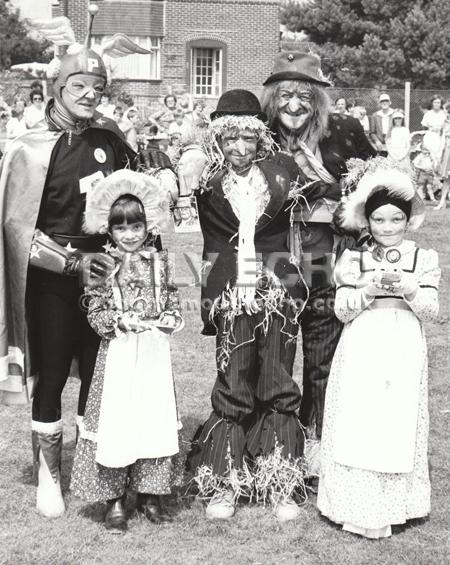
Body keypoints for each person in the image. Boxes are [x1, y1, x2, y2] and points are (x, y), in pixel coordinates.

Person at [0, 12, 153, 519]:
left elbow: (138, 190)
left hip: (105, 277)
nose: (90, 94)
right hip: (51, 281)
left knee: (98, 372)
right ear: (59, 86)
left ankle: (94, 469)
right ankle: (50, 473)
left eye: (97, 86)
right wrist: (72, 264)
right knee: (51, 375)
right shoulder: (29, 147)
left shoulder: (108, 139)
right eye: (80, 85)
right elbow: (17, 229)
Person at [183, 90, 306, 522]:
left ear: (261, 140)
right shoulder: (202, 179)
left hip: (277, 286)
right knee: (233, 383)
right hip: (229, 289)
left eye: (248, 139)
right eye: (230, 138)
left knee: (277, 381)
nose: (239, 147)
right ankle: (225, 481)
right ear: (218, 138)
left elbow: (331, 187)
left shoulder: (284, 172)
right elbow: (159, 199)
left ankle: (280, 481)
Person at [260, 51, 376, 472]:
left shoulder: (344, 130)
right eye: (286, 95)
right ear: (273, 98)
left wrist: (349, 212)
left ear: (319, 100)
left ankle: (316, 452)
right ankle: (273, 446)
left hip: (329, 262)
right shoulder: (258, 133)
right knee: (274, 359)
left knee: (321, 362)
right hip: (274, 265)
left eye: (304, 96)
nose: (294, 104)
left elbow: (374, 187)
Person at [318, 159, 439, 539]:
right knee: (361, 419)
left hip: (402, 342)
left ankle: (396, 505)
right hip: (363, 344)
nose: (388, 228)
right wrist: (367, 291)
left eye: (396, 220)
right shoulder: (353, 259)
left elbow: (432, 312)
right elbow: (341, 311)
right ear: (367, 222)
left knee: (395, 421)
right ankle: (352, 505)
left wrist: (409, 288)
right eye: (380, 220)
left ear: (408, 220)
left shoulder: (424, 258)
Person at [70, 170, 182, 533]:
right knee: (119, 419)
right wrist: (119, 322)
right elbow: (95, 309)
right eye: (121, 229)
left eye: (136, 227)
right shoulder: (100, 265)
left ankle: (150, 494)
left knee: (152, 415)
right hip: (118, 354)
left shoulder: (160, 262)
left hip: (152, 353)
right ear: (109, 230)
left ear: (148, 226)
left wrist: (169, 316)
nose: (130, 235)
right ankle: (114, 497)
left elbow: (172, 299)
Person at [421, 95, 446, 164]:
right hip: (430, 136)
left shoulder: (444, 114)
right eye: (435, 102)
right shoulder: (428, 114)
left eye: (438, 102)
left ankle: (439, 171)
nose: (436, 104)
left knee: (439, 155)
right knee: (430, 155)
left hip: (441, 136)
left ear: (441, 104)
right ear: (432, 103)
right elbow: (424, 126)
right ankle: (430, 171)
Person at [436, 100, 450, 209]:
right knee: (446, 178)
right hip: (447, 151)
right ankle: (442, 202)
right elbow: (441, 139)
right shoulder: (444, 123)